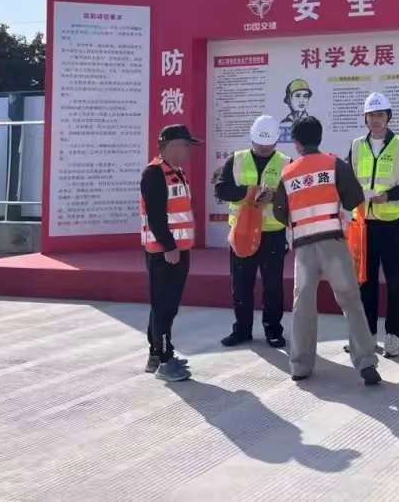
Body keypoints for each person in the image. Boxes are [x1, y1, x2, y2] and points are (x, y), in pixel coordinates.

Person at [272, 115, 381, 386]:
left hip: (304, 248)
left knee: (303, 304)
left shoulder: (288, 172)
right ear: (319, 138)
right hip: (333, 242)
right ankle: (366, 362)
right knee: (350, 300)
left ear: (296, 143)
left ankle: (300, 366)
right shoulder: (335, 164)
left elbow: (279, 211)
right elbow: (354, 198)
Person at [346, 92, 399, 358]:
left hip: (390, 223)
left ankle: (392, 336)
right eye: (371, 115)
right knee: (364, 282)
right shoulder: (356, 145)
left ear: (388, 117)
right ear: (365, 118)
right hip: (362, 224)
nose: (375, 119)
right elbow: (348, 181)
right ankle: (367, 335)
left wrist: (388, 196)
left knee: (394, 281)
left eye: (380, 114)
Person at [213, 115, 291, 348]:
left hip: (273, 233)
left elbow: (294, 196)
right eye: (260, 143)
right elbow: (221, 190)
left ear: (276, 141)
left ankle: (273, 330)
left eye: (269, 144)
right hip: (242, 232)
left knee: (273, 286)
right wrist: (249, 192)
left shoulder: (286, 163)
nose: (264, 148)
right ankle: (242, 330)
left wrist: (274, 196)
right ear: (252, 138)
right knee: (241, 284)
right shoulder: (236, 160)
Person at [139, 125, 200, 383]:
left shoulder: (175, 172)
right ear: (172, 145)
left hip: (178, 250)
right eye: (186, 145)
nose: (189, 151)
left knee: (166, 307)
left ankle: (157, 353)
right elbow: (155, 216)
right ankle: (165, 360)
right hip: (164, 253)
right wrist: (170, 247)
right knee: (163, 307)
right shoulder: (154, 173)